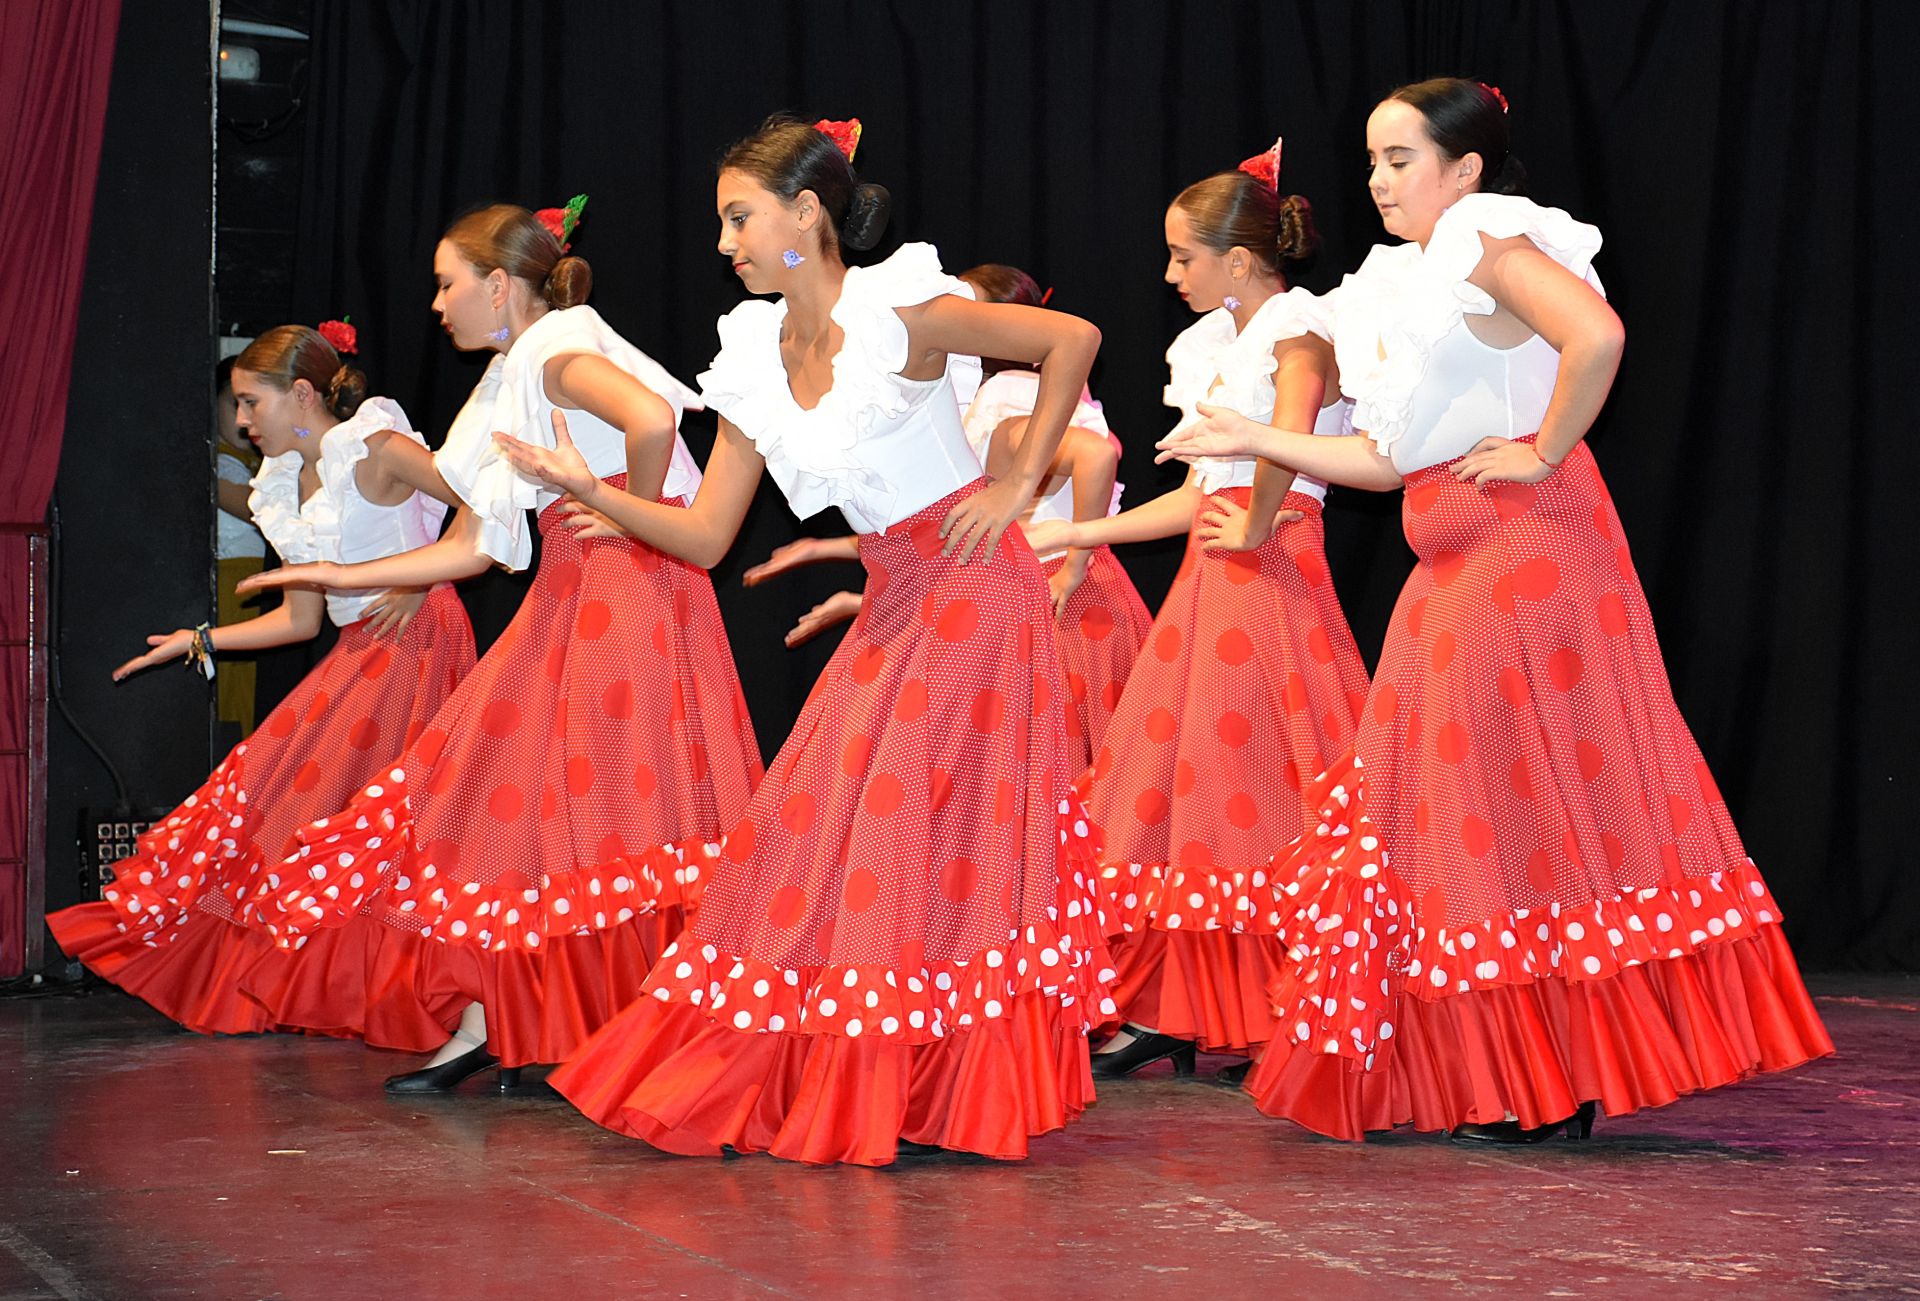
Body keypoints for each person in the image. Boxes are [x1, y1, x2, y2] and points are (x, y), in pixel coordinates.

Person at [1158, 79, 1833, 1141]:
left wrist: (1544, 447)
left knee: (1518, 811)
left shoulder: (1482, 234)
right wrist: (1253, 440)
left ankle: (1551, 1080)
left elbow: (1596, 335)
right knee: (1458, 814)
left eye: (1400, 159)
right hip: (1451, 562)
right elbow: (1383, 462)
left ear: (1465, 170)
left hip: (1527, 555)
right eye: (1373, 160)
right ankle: (1534, 1070)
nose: (1378, 180)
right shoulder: (1407, 282)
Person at [510, 115, 1115, 1165]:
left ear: (807, 213)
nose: (724, 241)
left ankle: (927, 1084)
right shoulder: (751, 358)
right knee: (810, 827)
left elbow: (1072, 340)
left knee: (915, 838)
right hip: (896, 593)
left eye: (739, 217)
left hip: (978, 592)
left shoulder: (899, 312)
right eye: (722, 221)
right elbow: (702, 536)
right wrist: (586, 490)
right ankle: (898, 1076)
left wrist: (1016, 484)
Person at [238, 200, 762, 1092]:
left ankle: (631, 1030)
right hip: (581, 587)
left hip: (619, 590)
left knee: (577, 810)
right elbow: (475, 544)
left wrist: (626, 517)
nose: (438, 305)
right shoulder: (517, 370)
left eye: (447, 284)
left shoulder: (555, 353)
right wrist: (335, 579)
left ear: (496, 283)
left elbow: (651, 421)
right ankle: (513, 1017)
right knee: (525, 809)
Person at [1024, 143, 1370, 1081]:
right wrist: (1080, 532)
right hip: (1213, 574)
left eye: (1185, 255)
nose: (1171, 273)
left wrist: (1258, 514)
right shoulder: (1217, 343)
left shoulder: (1301, 329)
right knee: (1183, 790)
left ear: (1241, 258)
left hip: (1269, 574)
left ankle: (1293, 1003)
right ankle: (1172, 1002)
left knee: (1255, 783)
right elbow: (1202, 492)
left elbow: (1288, 434)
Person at [48, 324, 474, 1047]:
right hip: (358, 648)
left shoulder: (373, 447)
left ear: (301, 395)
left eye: (251, 403)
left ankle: (414, 994)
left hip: (418, 641)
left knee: (380, 821)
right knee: (289, 796)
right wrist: (202, 638)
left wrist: (424, 570)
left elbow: (484, 498)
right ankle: (354, 988)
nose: (242, 422)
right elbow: (300, 617)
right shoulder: (288, 483)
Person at [741, 261, 1153, 768]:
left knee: (1062, 778)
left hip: (1061, 601)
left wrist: (1074, 561)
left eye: (963, 308)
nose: (949, 318)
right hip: (1042, 591)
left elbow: (1095, 454)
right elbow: (941, 525)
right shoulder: (977, 405)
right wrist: (830, 555)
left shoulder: (1009, 401)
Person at [212, 353, 268, 738]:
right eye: (234, 403)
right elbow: (255, 509)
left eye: (253, 404)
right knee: (235, 691)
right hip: (233, 589)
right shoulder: (213, 464)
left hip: (261, 588)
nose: (243, 417)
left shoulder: (257, 464)